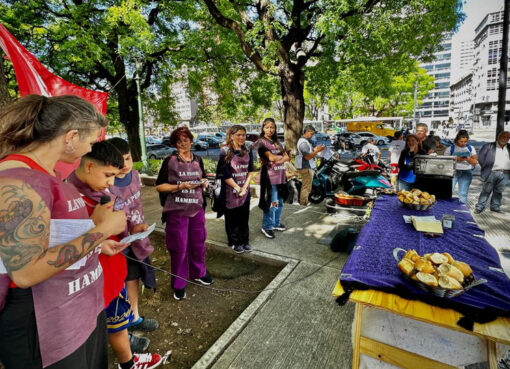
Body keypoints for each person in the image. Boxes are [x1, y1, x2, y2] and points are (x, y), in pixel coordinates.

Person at [0, 95, 127, 369]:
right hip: (45, 324)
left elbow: (52, 236)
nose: (89, 150)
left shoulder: (48, 173)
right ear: (71, 137)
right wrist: (101, 231)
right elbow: (25, 272)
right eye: (91, 142)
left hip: (76, 311)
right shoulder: (16, 180)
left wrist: (96, 243)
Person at [67, 142, 162, 369]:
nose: (112, 182)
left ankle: (126, 348)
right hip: (94, 278)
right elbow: (68, 246)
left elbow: (115, 223)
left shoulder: (100, 191)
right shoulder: (68, 197)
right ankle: (127, 363)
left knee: (116, 319)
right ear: (89, 165)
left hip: (112, 266)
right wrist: (100, 230)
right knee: (111, 322)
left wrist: (124, 232)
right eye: (108, 175)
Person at [108, 138, 158, 333]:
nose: (124, 165)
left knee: (133, 277)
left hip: (136, 239)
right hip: (116, 242)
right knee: (117, 285)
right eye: (118, 162)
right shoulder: (106, 182)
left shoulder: (135, 176)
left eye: (127, 158)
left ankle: (134, 317)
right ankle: (122, 328)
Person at [155, 126, 212, 301]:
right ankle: (179, 282)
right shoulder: (169, 161)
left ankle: (198, 272)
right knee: (179, 247)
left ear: (191, 141)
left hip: (196, 209)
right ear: (175, 144)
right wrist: (179, 186)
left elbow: (201, 178)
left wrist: (204, 183)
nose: (183, 144)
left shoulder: (198, 160)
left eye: (185, 140)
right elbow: (159, 186)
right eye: (179, 141)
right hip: (176, 211)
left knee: (198, 244)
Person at [215, 125, 256, 254]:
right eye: (238, 134)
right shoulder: (225, 151)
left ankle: (245, 240)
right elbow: (225, 174)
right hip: (230, 190)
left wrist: (244, 187)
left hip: (244, 189)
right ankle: (234, 241)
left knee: (244, 216)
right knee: (232, 216)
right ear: (232, 136)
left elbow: (250, 171)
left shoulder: (248, 150)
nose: (241, 137)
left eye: (243, 134)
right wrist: (238, 188)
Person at [257, 118, 290, 239]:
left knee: (279, 202)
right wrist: (281, 158)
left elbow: (287, 157)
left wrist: (280, 158)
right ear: (263, 128)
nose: (270, 130)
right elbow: (271, 158)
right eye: (267, 127)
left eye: (272, 127)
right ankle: (267, 226)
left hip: (281, 177)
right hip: (270, 178)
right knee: (272, 203)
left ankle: (276, 223)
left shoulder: (276, 142)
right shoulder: (261, 142)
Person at [474, 131, 510, 214]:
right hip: (492, 172)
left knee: (499, 191)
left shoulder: (509, 147)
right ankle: (480, 207)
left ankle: (495, 207)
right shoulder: (488, 146)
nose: (505, 139)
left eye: (508, 137)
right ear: (498, 137)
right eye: (504, 136)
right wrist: (487, 168)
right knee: (486, 191)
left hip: (505, 173)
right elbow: (481, 158)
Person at [294, 125, 325, 206]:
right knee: (306, 187)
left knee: (307, 186)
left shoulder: (305, 141)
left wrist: (316, 149)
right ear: (307, 132)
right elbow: (307, 157)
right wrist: (317, 151)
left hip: (306, 166)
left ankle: (304, 202)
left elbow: (309, 153)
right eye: (311, 134)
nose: (312, 135)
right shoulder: (303, 143)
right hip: (305, 167)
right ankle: (303, 204)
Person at [447, 131, 478, 204]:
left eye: (465, 142)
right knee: (448, 191)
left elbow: (475, 162)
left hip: (466, 171)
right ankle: (446, 206)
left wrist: (468, 159)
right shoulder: (450, 148)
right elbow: (445, 162)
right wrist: (457, 159)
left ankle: (461, 209)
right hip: (452, 172)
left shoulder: (471, 148)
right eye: (461, 141)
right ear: (457, 140)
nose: (463, 143)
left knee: (463, 193)